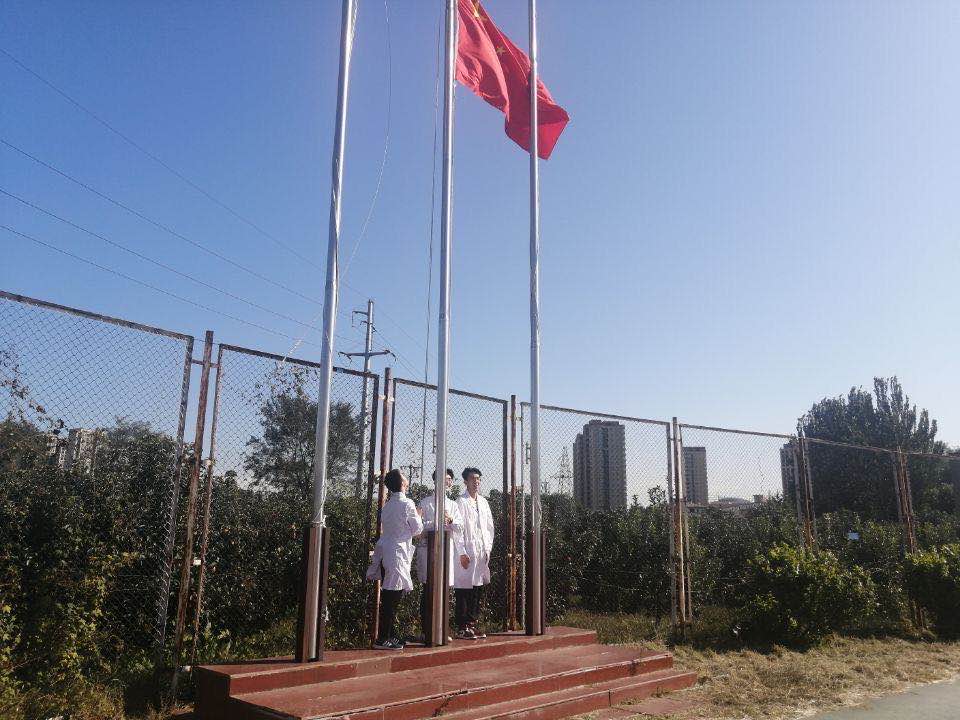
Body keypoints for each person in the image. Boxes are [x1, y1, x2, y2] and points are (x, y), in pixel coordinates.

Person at [366, 469, 423, 650]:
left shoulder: (387, 506)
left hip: (386, 552)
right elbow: (417, 529)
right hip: (397, 554)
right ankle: (383, 638)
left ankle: (390, 634)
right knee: (392, 598)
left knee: (390, 596)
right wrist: (419, 516)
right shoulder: (407, 503)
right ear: (402, 483)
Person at [413, 468, 465, 643]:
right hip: (428, 551)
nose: (447, 482)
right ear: (435, 481)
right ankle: (426, 630)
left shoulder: (453, 505)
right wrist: (438, 522)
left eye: (449, 479)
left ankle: (441, 629)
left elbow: (459, 527)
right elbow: (419, 526)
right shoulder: (425, 502)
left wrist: (450, 520)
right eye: (444, 478)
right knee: (428, 590)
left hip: (446, 552)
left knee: (444, 591)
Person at [453, 467, 495, 640]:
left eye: (478, 479)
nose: (476, 482)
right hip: (466, 552)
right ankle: (462, 627)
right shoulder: (460, 502)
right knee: (463, 589)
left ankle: (472, 624)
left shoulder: (483, 502)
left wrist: (488, 548)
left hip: (481, 552)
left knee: (477, 588)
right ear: (465, 481)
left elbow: (490, 527)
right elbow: (457, 530)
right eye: (472, 479)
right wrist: (462, 552)